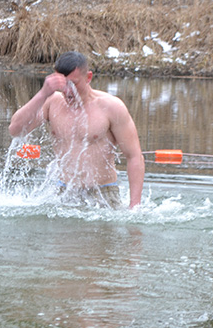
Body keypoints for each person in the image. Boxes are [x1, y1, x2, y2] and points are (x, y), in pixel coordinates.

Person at [9, 51, 144, 209]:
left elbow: (134, 156)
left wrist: (135, 207)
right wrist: (43, 93)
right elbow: (16, 130)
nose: (68, 91)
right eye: (63, 84)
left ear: (88, 78)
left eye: (74, 84)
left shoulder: (111, 107)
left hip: (102, 194)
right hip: (63, 192)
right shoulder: (52, 103)